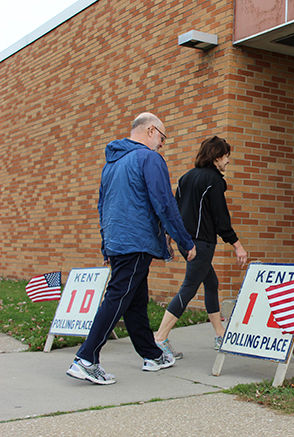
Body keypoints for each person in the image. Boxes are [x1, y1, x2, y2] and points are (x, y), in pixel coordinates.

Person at [66, 112, 196, 385]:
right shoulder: (149, 158)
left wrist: (106, 245)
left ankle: (152, 354)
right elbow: (164, 203)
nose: (162, 143)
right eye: (163, 137)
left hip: (117, 240)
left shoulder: (112, 164)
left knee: (135, 299)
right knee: (118, 296)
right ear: (150, 130)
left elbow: (103, 207)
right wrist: (185, 242)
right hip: (137, 241)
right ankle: (86, 359)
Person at [154, 136, 247, 359]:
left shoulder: (186, 178)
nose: (228, 161)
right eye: (226, 157)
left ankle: (219, 334)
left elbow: (174, 211)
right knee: (189, 288)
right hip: (202, 243)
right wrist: (237, 245)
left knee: (211, 282)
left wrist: (168, 235)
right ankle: (159, 338)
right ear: (216, 157)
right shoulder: (214, 181)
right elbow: (221, 219)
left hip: (187, 242)